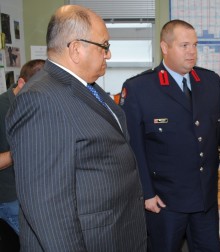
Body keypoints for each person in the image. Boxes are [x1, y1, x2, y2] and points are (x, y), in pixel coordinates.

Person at [6, 5, 146, 251]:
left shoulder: (86, 86)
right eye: (104, 46)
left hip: (114, 231)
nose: (108, 55)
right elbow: (47, 207)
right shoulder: (42, 99)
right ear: (76, 49)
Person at [120, 19, 220, 252]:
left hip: (204, 196)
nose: (192, 52)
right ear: (165, 47)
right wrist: (146, 193)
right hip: (165, 200)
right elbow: (133, 147)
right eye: (184, 46)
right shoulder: (140, 88)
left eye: (195, 45)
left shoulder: (209, 81)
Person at [0, 59, 45, 236]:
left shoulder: (30, 103)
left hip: (31, 192)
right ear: (21, 83)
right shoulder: (2, 108)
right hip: (10, 198)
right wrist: (21, 150)